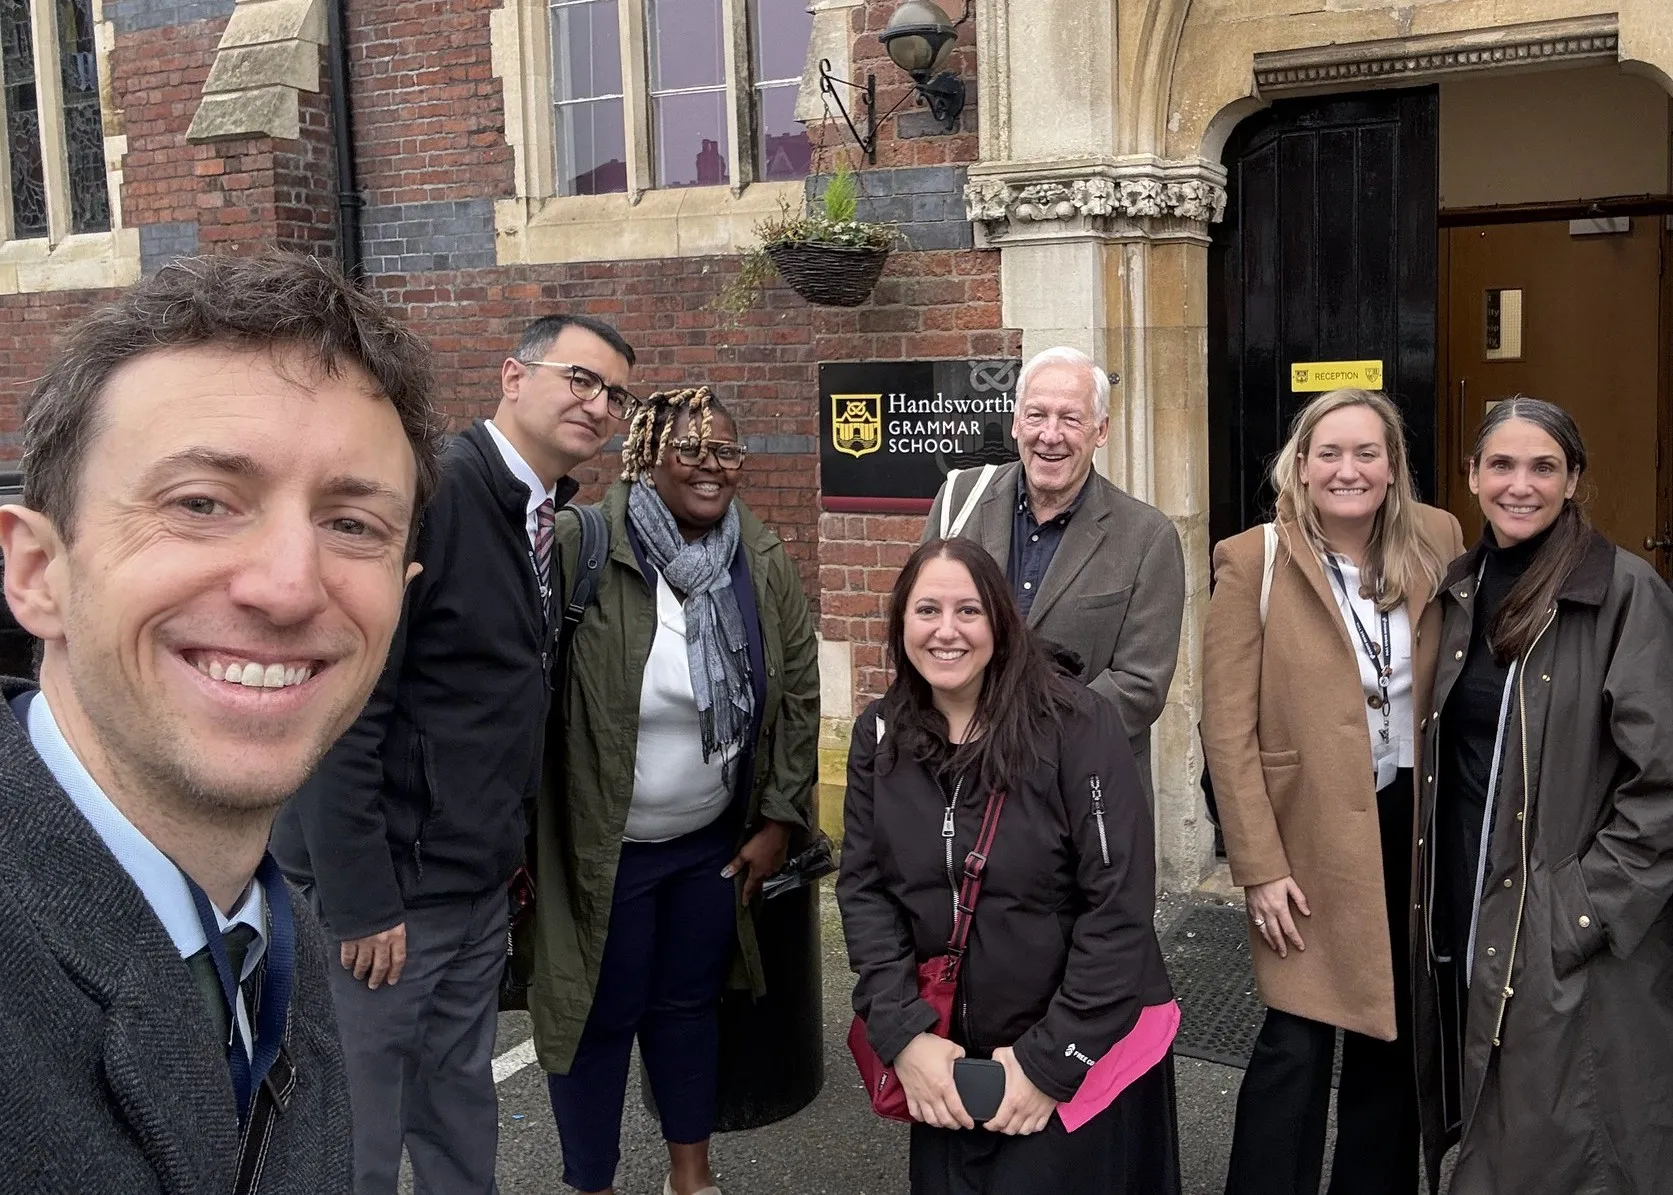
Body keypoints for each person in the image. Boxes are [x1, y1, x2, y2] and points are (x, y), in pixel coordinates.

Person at [0, 252, 442, 1192]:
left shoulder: (278, 944)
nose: (288, 586)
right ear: (38, 571)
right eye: (200, 503)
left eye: (354, 523)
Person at [270, 314, 635, 1194]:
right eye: (578, 379)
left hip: (473, 889)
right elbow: (345, 705)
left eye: (615, 393)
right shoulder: (432, 493)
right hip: (389, 899)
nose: (598, 403)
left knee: (457, 1107)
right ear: (513, 375)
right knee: (355, 1132)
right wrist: (360, 901)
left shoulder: (543, 515)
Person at [530, 387, 818, 1195]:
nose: (708, 466)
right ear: (646, 455)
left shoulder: (755, 558)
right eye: (687, 449)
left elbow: (796, 693)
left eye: (724, 450)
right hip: (602, 849)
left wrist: (777, 819)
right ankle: (592, 1183)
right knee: (597, 1017)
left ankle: (691, 1176)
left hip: (708, 845)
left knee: (688, 1008)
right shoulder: (584, 543)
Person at [838, 536, 1180, 1195]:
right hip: (946, 1055)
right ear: (899, 623)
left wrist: (1049, 1063)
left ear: (1000, 619)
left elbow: (1118, 904)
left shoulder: (1077, 724)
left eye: (967, 610)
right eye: (926, 610)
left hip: (1075, 1044)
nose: (946, 631)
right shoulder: (878, 735)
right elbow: (864, 890)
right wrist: (901, 1031)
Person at [1201, 389, 1462, 1195]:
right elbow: (1225, 729)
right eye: (1330, 453)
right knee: (1297, 1040)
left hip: (1409, 822)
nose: (1348, 469)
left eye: (1366, 453)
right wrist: (1257, 865)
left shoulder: (1439, 538)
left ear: (1392, 468)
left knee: (1393, 1035)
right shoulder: (1253, 558)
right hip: (1305, 832)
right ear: (1302, 467)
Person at [1413, 397, 1673, 1195]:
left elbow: (1659, 783)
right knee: (1496, 1118)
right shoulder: (1457, 587)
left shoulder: (1623, 593)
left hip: (1564, 917)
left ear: (1572, 482)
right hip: (1471, 896)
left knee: (1572, 1139)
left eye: (1541, 467)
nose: (1517, 484)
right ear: (1471, 477)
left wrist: (1579, 910)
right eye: (1500, 465)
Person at [922, 347, 1184, 792]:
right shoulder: (957, 502)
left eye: (1071, 419)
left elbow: (1140, 686)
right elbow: (923, 623)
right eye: (1037, 415)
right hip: (959, 773)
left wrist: (1018, 731)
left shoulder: (1147, 536)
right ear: (1015, 423)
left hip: (1082, 790)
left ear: (1100, 431)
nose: (1050, 434)